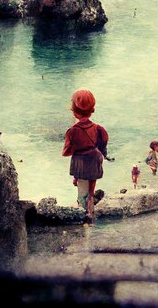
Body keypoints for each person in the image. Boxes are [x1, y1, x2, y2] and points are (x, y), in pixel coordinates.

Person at [62, 89, 109, 222]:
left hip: (81, 163)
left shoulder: (72, 131)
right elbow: (103, 145)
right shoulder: (98, 128)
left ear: (75, 111)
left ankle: (85, 218)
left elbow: (66, 152)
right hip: (94, 160)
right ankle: (90, 211)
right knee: (90, 191)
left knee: (82, 191)